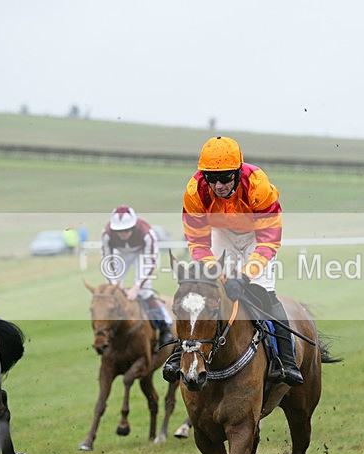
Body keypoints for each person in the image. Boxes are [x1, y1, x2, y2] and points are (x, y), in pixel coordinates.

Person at [162, 136, 303, 386]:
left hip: (256, 237)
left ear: (237, 172)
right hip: (222, 233)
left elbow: (269, 240)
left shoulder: (258, 185)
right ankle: (178, 354)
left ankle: (287, 360)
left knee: (263, 293)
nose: (218, 185)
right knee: (200, 291)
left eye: (226, 177)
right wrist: (216, 272)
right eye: (212, 178)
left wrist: (245, 276)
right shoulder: (195, 192)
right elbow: (197, 242)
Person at [101, 205, 175, 349]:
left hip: (142, 253)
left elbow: (150, 262)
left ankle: (165, 327)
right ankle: (108, 329)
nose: (122, 234)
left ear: (133, 226)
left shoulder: (147, 234)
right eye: (119, 231)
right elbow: (107, 259)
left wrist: (136, 287)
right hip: (120, 253)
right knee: (112, 291)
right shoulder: (107, 234)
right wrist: (115, 285)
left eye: (126, 230)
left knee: (145, 291)